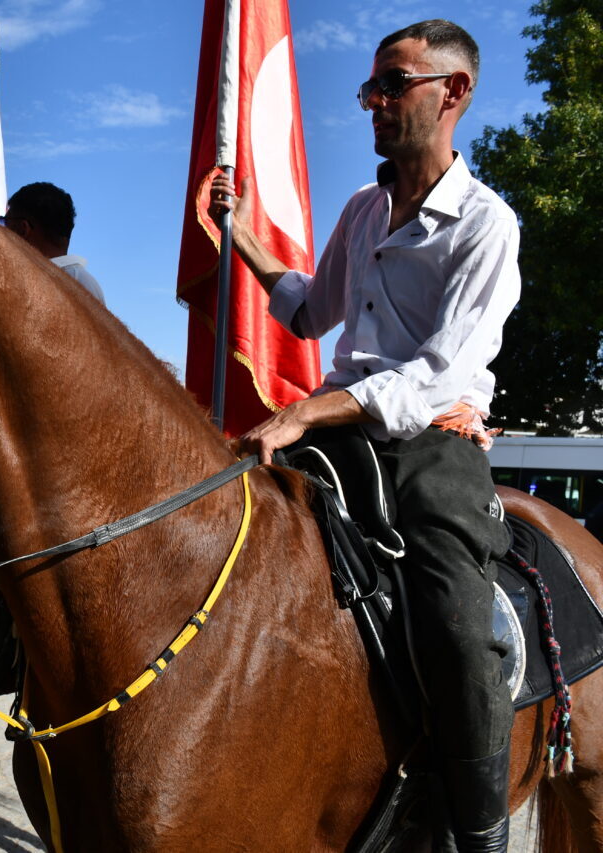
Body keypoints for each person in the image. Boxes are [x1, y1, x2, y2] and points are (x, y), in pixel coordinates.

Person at [209, 19, 518, 851]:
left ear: (453, 92)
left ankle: (480, 828)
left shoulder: (488, 225)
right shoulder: (362, 209)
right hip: (337, 426)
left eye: (394, 84)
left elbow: (439, 378)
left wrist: (308, 408)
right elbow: (311, 308)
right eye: (370, 88)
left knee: (455, 617)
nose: (375, 102)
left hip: (431, 439)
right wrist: (234, 235)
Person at [3, 182, 106, 304]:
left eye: (5, 222)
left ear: (22, 229)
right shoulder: (82, 283)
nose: (2, 231)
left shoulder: (72, 285)